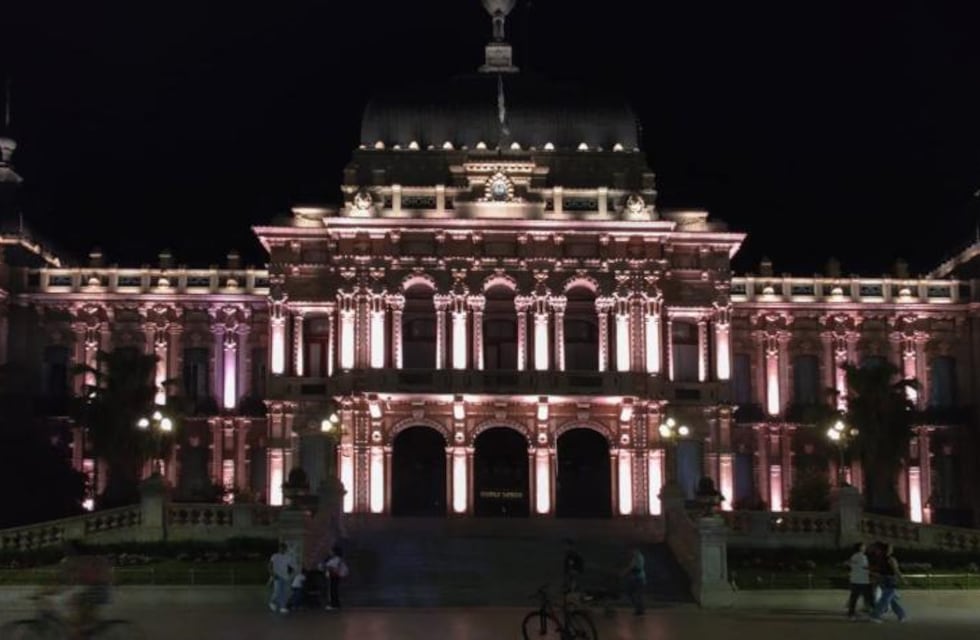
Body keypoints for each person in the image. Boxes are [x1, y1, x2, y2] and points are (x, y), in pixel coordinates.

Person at [55, 540, 112, 640]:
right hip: (98, 590)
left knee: (78, 621)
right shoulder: (89, 559)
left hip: (96, 591)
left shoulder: (78, 561)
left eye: (67, 550)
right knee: (80, 617)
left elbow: (69, 580)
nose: (65, 552)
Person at [870, 543, 907, 623]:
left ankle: (902, 614)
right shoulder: (891, 559)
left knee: (890, 599)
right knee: (886, 599)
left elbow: (878, 570)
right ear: (888, 550)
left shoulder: (880, 558)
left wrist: (876, 578)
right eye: (891, 548)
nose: (892, 549)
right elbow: (896, 570)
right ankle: (875, 615)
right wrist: (902, 579)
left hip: (883, 579)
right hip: (890, 580)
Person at [844, 542, 874, 620]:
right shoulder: (862, 557)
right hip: (863, 580)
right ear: (860, 548)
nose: (865, 548)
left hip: (854, 579)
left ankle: (851, 614)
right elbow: (865, 567)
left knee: (854, 597)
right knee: (869, 597)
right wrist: (874, 570)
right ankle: (873, 613)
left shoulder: (853, 556)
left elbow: (849, 564)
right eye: (864, 546)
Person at [268, 542, 295, 614]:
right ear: (279, 549)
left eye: (284, 548)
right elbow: (270, 565)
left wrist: (290, 574)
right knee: (277, 591)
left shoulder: (288, 557)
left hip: (285, 576)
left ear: (286, 549)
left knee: (284, 592)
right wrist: (272, 574)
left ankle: (283, 607)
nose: (282, 550)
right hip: (277, 576)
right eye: (281, 548)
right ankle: (272, 602)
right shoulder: (275, 556)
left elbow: (292, 567)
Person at [621, 547, 646, 616]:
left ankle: (640, 610)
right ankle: (639, 609)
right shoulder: (637, 557)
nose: (630, 552)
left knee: (637, 595)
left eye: (631, 550)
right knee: (633, 594)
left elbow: (631, 567)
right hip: (637, 579)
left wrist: (624, 573)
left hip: (639, 579)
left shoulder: (637, 557)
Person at [323, 545, 349, 610]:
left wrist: (327, 567)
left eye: (331, 551)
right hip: (332, 576)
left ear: (334, 552)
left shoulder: (337, 559)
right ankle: (335, 604)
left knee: (333, 591)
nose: (330, 552)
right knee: (333, 590)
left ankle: (334, 605)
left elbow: (333, 567)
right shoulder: (332, 559)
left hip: (334, 576)